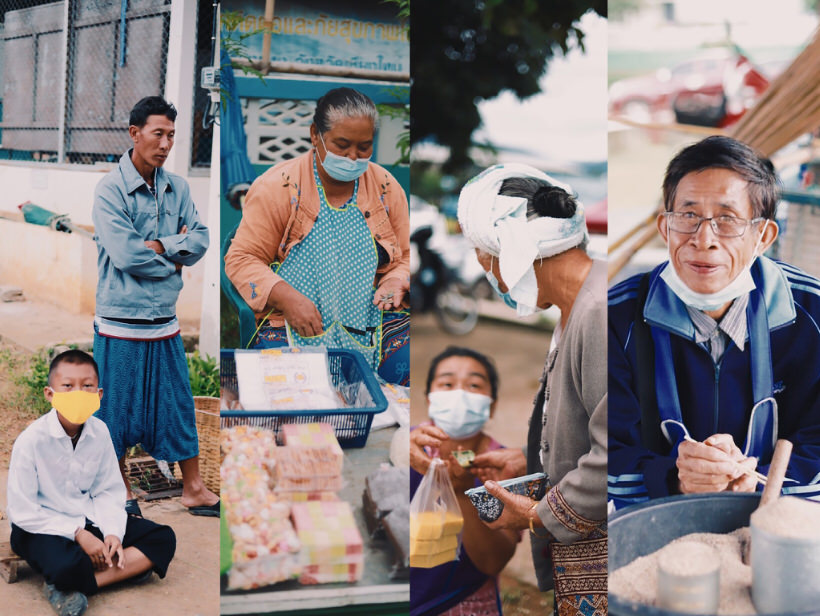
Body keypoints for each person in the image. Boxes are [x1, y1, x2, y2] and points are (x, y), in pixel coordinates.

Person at [608, 135, 820, 507]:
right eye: (688, 216)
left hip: (780, 528)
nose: (703, 239)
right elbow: (598, 455)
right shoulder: (614, 318)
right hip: (656, 528)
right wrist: (675, 479)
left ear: (763, 236)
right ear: (665, 227)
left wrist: (753, 483)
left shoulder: (812, 313)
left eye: (727, 219)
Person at [456, 163, 608, 615]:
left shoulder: (599, 311)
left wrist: (535, 515)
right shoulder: (573, 307)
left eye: (484, 257)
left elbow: (612, 453)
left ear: (514, 251)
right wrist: (531, 460)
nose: (487, 272)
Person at [224, 87, 410, 385]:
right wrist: (287, 298)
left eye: (364, 147)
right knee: (292, 399)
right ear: (315, 135)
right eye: (342, 144)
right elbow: (241, 258)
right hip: (288, 322)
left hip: (371, 325)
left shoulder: (386, 188)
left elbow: (405, 256)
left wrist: (395, 280)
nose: (352, 157)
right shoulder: (277, 187)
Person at [92, 96, 219, 516]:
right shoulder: (110, 189)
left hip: (164, 322)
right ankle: (121, 491)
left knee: (178, 405)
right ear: (135, 133)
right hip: (120, 323)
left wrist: (164, 244)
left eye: (171, 136)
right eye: (158, 133)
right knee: (115, 411)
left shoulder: (178, 187)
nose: (165, 144)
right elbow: (127, 255)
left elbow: (200, 239)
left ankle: (194, 488)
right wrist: (173, 266)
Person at [7, 350, 176, 616]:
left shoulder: (100, 432)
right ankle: (122, 569)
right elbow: (23, 511)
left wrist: (111, 534)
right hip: (40, 527)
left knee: (163, 538)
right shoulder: (31, 441)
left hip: (89, 518)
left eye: (87, 386)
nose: (78, 393)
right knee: (65, 565)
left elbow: (108, 490)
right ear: (50, 394)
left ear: (99, 395)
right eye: (68, 386)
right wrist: (77, 533)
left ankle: (72, 585)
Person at [409, 346, 519, 616]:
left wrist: (463, 491)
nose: (460, 393)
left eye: (474, 384)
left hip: (461, 598)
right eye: (447, 383)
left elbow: (494, 561)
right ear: (429, 399)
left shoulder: (504, 468)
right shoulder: (406, 446)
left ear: (492, 405)